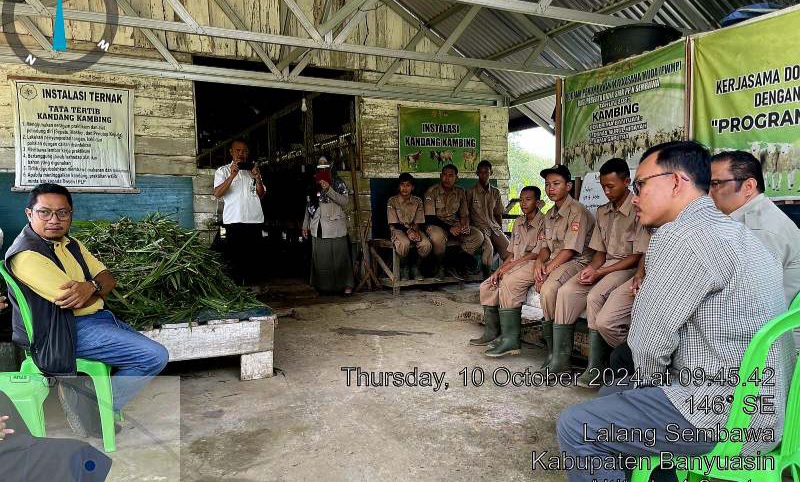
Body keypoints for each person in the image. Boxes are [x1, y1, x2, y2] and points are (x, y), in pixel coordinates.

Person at [557, 141, 794, 482]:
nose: (635, 196)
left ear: (676, 181)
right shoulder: (737, 232)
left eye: (641, 185)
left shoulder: (681, 236)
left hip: (720, 416)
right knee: (614, 392)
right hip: (764, 408)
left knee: (578, 427)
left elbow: (648, 345)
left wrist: (647, 387)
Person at [5, 184, 169, 438]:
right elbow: (78, 302)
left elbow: (107, 278)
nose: (54, 220)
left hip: (96, 320)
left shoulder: (71, 244)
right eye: (44, 213)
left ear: (71, 214)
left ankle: (87, 401)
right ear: (29, 213)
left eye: (62, 213)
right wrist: (95, 291)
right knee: (154, 356)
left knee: (145, 353)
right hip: (60, 330)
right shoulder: (27, 255)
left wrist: (90, 286)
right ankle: (93, 407)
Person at [554, 158, 650, 384]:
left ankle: (605, 364)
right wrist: (591, 269)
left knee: (596, 295)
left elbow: (636, 255)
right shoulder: (602, 212)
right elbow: (599, 252)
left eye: (611, 186)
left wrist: (600, 273)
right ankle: (566, 358)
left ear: (627, 181)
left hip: (628, 266)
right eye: (603, 186)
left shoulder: (638, 210)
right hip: (607, 265)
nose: (606, 191)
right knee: (567, 291)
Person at [709, 150, 800, 307]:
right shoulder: (753, 217)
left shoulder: (760, 230)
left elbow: (749, 299)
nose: (708, 194)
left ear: (749, 186)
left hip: (768, 327)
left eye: (716, 184)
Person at [533, 165, 594, 372]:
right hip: (556, 261)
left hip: (579, 261)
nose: (550, 188)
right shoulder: (549, 214)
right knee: (545, 289)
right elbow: (544, 246)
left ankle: (560, 358)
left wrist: (547, 269)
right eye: (548, 184)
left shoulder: (577, 212)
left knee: (549, 289)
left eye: (556, 184)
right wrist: (540, 264)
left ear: (568, 186)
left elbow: (570, 250)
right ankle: (552, 352)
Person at [474, 186, 544, 357]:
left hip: (532, 264)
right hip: (516, 263)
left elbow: (536, 254)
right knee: (487, 284)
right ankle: (493, 333)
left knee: (508, 283)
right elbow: (511, 253)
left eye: (528, 199)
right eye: (521, 199)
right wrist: (498, 270)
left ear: (538, 202)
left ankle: (510, 340)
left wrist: (508, 268)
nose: (523, 203)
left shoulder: (544, 222)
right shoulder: (519, 222)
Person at [213, 139, 265, 285]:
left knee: (253, 258)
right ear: (231, 152)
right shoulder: (223, 171)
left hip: (254, 221)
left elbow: (261, 194)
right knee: (235, 258)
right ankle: (237, 291)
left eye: (245, 151)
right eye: (238, 150)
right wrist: (231, 176)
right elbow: (217, 193)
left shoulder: (252, 171)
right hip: (234, 222)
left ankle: (251, 289)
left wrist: (258, 178)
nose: (242, 154)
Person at [302, 156, 354, 295]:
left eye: (325, 163)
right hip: (318, 225)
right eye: (320, 163)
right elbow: (309, 206)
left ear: (331, 165)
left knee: (340, 256)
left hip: (335, 224)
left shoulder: (338, 182)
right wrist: (305, 224)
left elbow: (344, 201)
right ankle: (323, 287)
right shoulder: (312, 183)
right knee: (322, 258)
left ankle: (346, 285)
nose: (323, 165)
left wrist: (329, 189)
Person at [424, 164, 484, 280]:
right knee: (438, 237)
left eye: (451, 175)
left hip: (454, 224)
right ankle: (440, 266)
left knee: (478, 236)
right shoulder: (431, 191)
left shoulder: (460, 191)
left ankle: (456, 262)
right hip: (436, 224)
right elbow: (429, 217)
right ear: (440, 176)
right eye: (445, 175)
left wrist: (464, 225)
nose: (447, 178)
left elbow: (464, 214)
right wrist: (449, 229)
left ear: (456, 178)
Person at [466, 160, 509, 277]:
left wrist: (500, 231)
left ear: (491, 173)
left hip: (494, 227)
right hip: (479, 228)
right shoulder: (470, 192)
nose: (483, 175)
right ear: (477, 173)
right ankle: (487, 277)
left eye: (486, 172)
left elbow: (498, 213)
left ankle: (506, 276)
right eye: (481, 172)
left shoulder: (495, 192)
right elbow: (466, 213)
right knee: (488, 248)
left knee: (509, 249)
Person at [387, 173, 432, 281]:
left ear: (412, 187)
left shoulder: (418, 201)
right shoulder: (392, 201)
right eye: (402, 185)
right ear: (399, 186)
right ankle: (404, 267)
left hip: (413, 228)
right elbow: (394, 223)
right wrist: (408, 231)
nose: (405, 188)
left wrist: (415, 232)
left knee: (426, 245)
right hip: (398, 229)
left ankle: (415, 266)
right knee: (404, 244)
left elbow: (418, 221)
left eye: (408, 185)